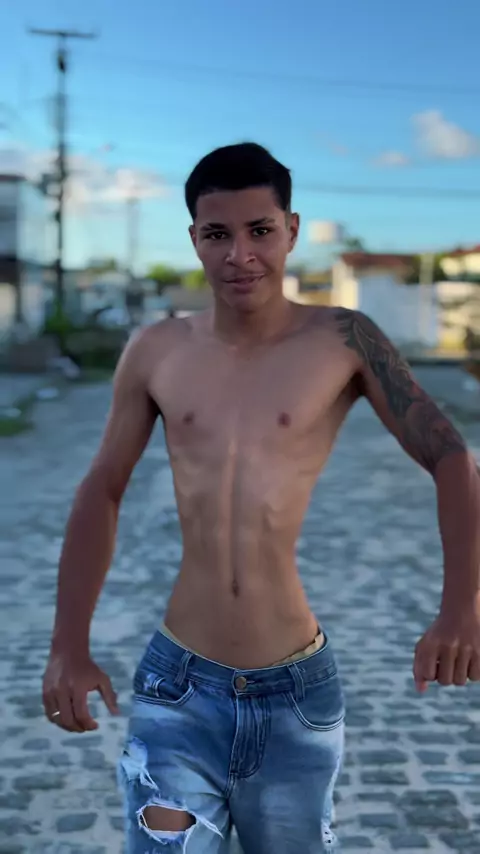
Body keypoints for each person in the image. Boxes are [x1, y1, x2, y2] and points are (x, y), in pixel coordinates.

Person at [42, 142, 480, 853]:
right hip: (178, 685)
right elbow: (102, 488)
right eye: (218, 234)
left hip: (295, 693)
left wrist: (461, 606)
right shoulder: (156, 349)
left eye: (260, 230)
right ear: (194, 239)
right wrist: (68, 643)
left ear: (292, 230)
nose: (239, 254)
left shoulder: (345, 339)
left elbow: (452, 456)